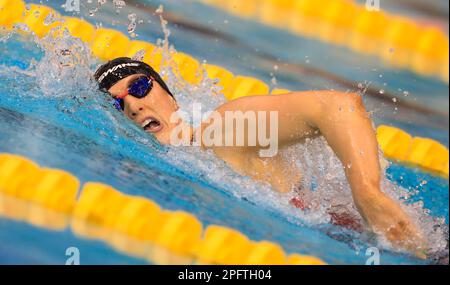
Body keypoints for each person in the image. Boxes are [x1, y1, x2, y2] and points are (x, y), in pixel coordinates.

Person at [94, 57, 426, 257]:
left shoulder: (218, 132)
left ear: (169, 93)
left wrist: (368, 191)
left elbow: (338, 106)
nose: (134, 106)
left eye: (139, 88)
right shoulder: (185, 160)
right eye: (117, 104)